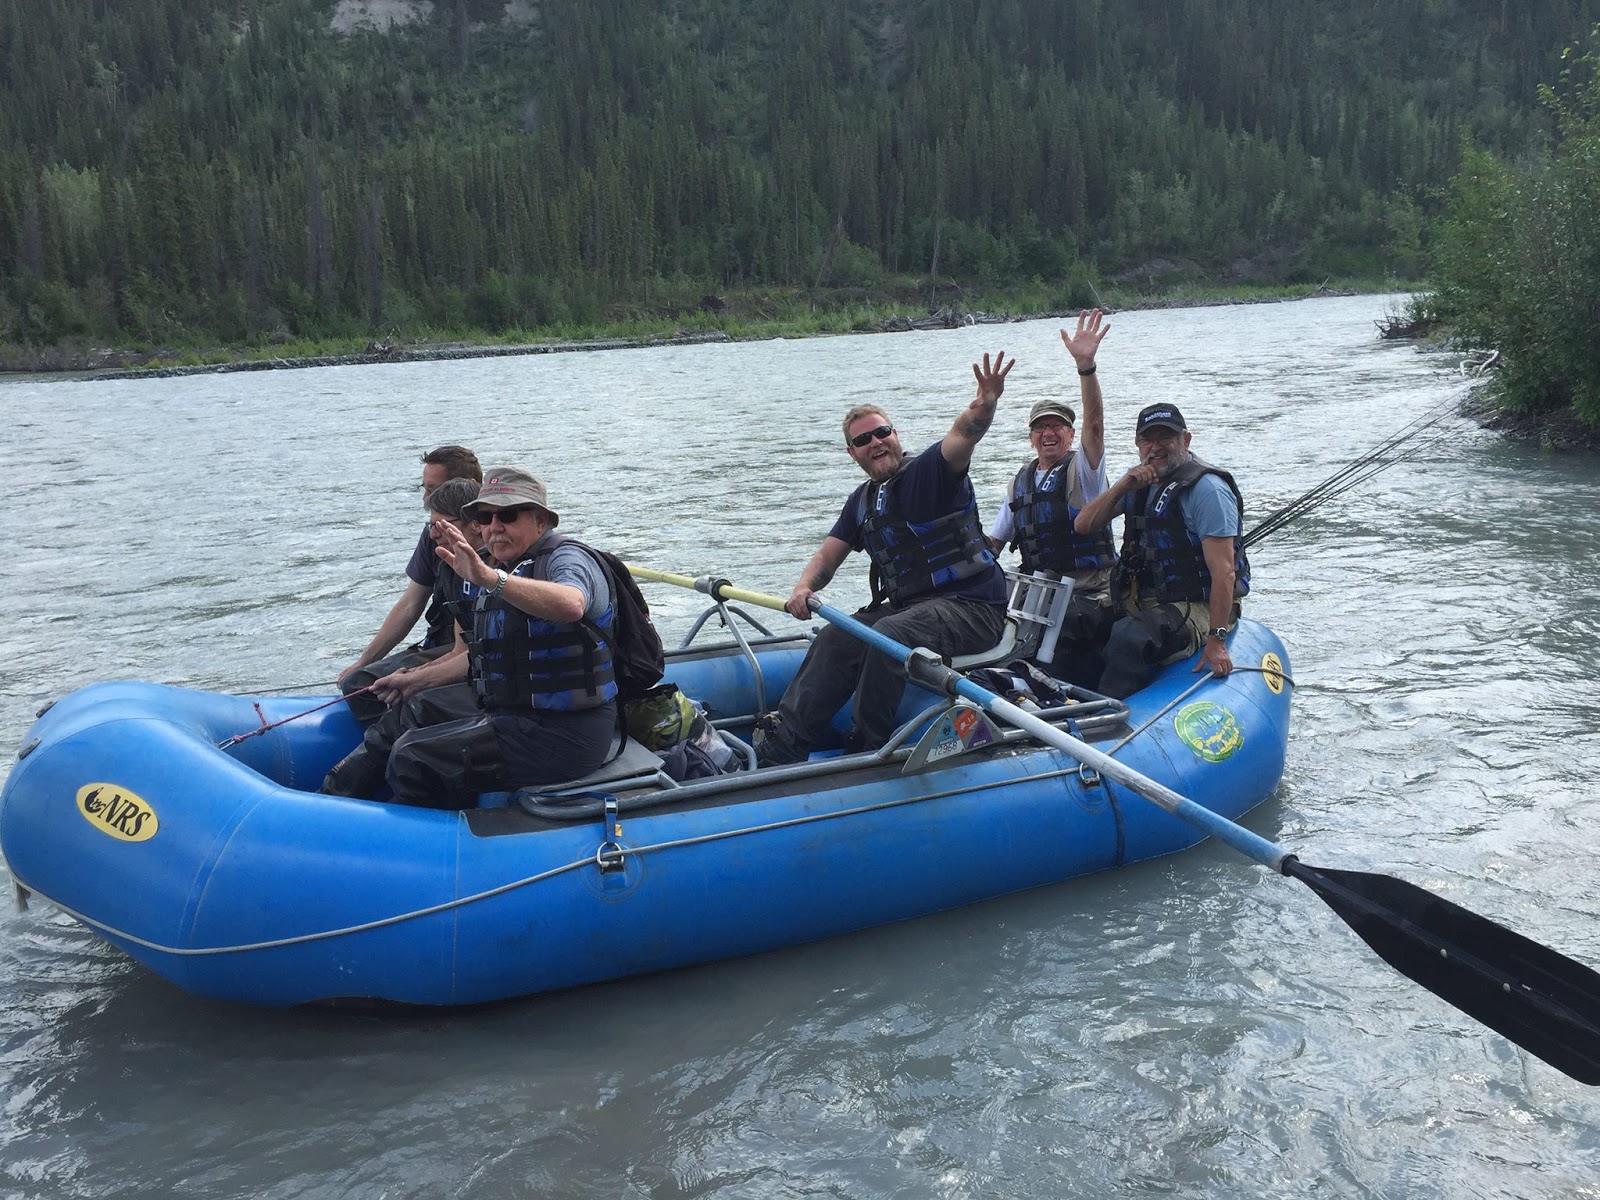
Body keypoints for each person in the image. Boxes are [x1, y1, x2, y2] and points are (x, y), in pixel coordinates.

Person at [755, 352, 1015, 766]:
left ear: (895, 434)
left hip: (974, 608)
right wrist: (804, 587)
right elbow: (828, 555)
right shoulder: (862, 502)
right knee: (837, 635)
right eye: (863, 440)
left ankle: (869, 745)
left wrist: (984, 404)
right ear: (851, 453)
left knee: (890, 633)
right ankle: (785, 744)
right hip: (917, 609)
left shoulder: (929, 473)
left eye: (882, 433)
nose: (875, 442)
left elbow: (963, 435)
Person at [321, 467, 622, 809]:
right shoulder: (501, 567)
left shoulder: (566, 559)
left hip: (565, 733)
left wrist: (488, 577)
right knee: (412, 711)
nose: (494, 526)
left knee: (415, 757)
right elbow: (475, 653)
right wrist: (416, 680)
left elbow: (572, 603)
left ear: (540, 521)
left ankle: (431, 849)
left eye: (507, 515)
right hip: (510, 714)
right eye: (485, 516)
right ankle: (330, 803)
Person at [1072, 403, 1251, 698]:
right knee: (1075, 618)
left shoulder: (1208, 490)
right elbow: (1084, 524)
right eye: (1147, 440)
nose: (1156, 447)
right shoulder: (1139, 485)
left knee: (1130, 635)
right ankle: (1054, 701)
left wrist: (1216, 640)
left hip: (1197, 604)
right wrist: (1123, 485)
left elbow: (1224, 572)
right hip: (1144, 599)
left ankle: (1108, 720)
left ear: (1186, 440)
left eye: (1165, 438)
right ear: (1138, 444)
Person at [986, 309, 1115, 685]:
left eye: (1057, 426)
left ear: (1070, 434)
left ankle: (1052, 693)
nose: (1048, 433)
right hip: (1036, 591)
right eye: (1040, 427)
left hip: (1088, 592)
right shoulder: (1019, 483)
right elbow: (992, 544)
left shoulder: (1085, 473)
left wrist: (1086, 368)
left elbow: (1095, 425)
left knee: (1062, 630)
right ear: (1031, 437)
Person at [338, 445, 483, 725]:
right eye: (425, 488)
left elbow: (468, 648)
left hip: (467, 652)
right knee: (360, 682)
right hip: (447, 646)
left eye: (434, 489)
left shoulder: (493, 549)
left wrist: (419, 677)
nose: (427, 498)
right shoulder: (433, 537)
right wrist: (364, 660)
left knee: (382, 690)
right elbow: (410, 603)